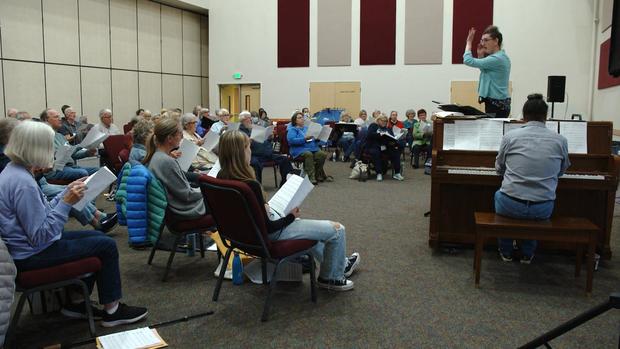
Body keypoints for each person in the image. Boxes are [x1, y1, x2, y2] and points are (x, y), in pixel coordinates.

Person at [0, 121, 148, 327]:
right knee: (106, 245)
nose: (52, 151)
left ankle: (77, 303)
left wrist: (64, 193)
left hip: (27, 249)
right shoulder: (23, 183)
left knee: (99, 238)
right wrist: (66, 203)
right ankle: (112, 312)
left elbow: (42, 214)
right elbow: (41, 235)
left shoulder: (14, 170)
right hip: (32, 255)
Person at [217, 130, 360, 291]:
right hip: (269, 237)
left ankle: (341, 265)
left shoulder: (221, 179)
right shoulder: (250, 186)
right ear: (240, 153)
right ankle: (331, 278)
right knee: (337, 229)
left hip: (242, 238)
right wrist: (291, 217)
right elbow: (269, 227)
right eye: (248, 147)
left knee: (314, 233)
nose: (250, 151)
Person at [494, 94, 570, 264]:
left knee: (499, 194)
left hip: (509, 205)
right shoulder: (560, 140)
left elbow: (499, 168)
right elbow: (561, 171)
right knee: (537, 207)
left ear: (524, 116)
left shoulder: (510, 137)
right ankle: (527, 253)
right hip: (542, 208)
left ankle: (506, 250)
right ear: (546, 116)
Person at [145, 118, 209, 219]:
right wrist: (207, 191)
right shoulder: (166, 161)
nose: (182, 137)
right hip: (185, 209)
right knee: (222, 199)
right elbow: (186, 195)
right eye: (180, 134)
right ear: (170, 138)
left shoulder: (158, 156)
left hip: (177, 206)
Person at [464, 25, 511, 117]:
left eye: (486, 40)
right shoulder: (499, 57)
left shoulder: (497, 58)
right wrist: (481, 55)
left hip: (497, 105)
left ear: (496, 41)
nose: (482, 43)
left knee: (493, 131)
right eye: (482, 40)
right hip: (495, 103)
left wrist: (469, 42)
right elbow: (485, 70)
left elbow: (467, 60)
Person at [238, 111, 293, 185]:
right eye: (248, 118)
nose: (251, 120)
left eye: (250, 118)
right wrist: (248, 141)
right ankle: (258, 186)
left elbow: (264, 140)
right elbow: (240, 145)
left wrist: (269, 137)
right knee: (255, 164)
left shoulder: (255, 127)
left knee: (285, 159)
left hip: (267, 153)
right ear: (242, 120)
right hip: (253, 154)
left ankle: (285, 182)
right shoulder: (239, 131)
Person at [44, 108, 98, 181]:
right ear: (46, 120)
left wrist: (87, 153)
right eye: (56, 117)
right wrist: (81, 145)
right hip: (55, 169)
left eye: (59, 116)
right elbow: (60, 155)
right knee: (82, 173)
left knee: (97, 170)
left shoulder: (60, 136)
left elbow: (71, 155)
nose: (60, 119)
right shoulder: (44, 137)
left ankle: (91, 192)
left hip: (70, 167)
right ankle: (80, 191)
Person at [286, 111, 330, 185]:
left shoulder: (307, 128)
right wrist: (304, 139)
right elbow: (291, 141)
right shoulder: (292, 129)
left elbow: (312, 140)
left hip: (311, 148)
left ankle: (317, 174)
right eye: (299, 118)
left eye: (302, 117)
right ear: (295, 120)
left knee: (322, 154)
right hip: (298, 150)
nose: (302, 119)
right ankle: (311, 177)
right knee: (308, 154)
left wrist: (317, 139)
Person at [365, 114, 404, 181]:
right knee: (376, 152)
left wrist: (393, 141)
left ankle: (397, 173)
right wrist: (380, 134)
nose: (384, 122)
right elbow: (369, 135)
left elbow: (391, 137)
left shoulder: (388, 129)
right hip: (374, 146)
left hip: (386, 146)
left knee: (395, 152)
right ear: (378, 120)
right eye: (382, 120)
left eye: (386, 121)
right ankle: (379, 173)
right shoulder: (373, 126)